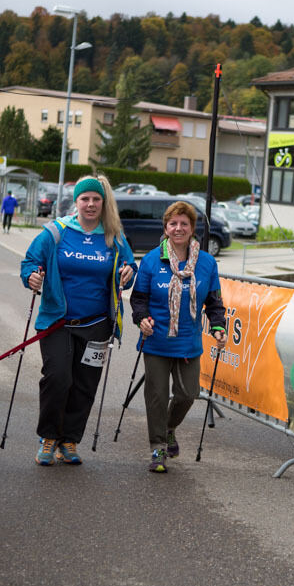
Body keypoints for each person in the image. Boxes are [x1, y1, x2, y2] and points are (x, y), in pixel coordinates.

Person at [20, 174, 136, 466]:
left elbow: (130, 266)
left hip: (96, 323)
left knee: (85, 384)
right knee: (58, 378)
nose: (91, 204)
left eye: (96, 199)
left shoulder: (113, 237)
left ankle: (69, 440)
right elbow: (30, 262)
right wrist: (32, 276)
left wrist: (128, 273)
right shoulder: (56, 232)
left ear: (103, 202)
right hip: (57, 321)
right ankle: (48, 438)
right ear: (76, 201)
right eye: (85, 198)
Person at [130, 200, 226, 473]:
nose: (178, 228)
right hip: (157, 340)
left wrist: (218, 327)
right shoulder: (151, 259)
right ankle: (157, 446)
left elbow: (214, 302)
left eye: (184, 223)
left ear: (192, 228)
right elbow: (139, 299)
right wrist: (142, 319)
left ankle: (169, 427)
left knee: (188, 394)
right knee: (157, 396)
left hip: (188, 343)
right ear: (166, 227)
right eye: (173, 223)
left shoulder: (206, 263)